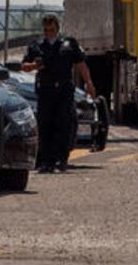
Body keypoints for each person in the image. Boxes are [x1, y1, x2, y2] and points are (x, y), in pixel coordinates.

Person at [22, 14, 95, 173]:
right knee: (45, 126)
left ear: (57, 29)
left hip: (64, 91)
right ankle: (47, 162)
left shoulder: (69, 44)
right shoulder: (36, 46)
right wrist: (34, 66)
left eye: (52, 30)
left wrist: (89, 83)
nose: (49, 33)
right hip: (45, 91)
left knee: (64, 125)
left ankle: (62, 159)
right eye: (46, 30)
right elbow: (24, 66)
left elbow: (81, 64)